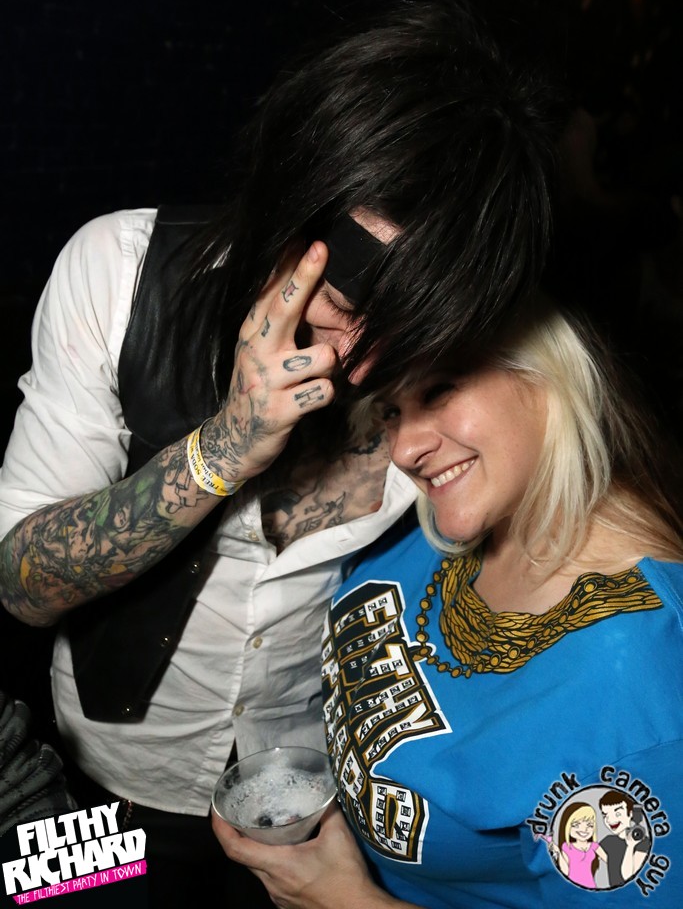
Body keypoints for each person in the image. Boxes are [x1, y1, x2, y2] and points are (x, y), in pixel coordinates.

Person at [0, 0, 565, 906]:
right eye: (344, 304)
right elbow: (20, 586)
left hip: (317, 805)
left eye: (414, 328)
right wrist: (222, 449)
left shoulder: (462, 379)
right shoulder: (116, 270)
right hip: (103, 789)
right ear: (287, 205)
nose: (362, 363)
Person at [214, 299, 683, 908]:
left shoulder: (636, 681)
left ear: (548, 375)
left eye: (440, 390)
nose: (405, 449)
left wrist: (348, 901)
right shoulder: (449, 514)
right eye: (390, 410)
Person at [599, 790, 651, 888]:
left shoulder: (643, 842)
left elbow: (628, 877)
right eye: (605, 815)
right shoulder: (608, 841)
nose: (610, 820)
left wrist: (630, 846)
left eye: (618, 814)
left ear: (630, 813)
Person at [549, 801, 606, 889]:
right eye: (576, 825)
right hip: (570, 888)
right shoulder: (566, 847)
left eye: (590, 825)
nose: (584, 829)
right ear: (567, 826)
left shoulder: (594, 846)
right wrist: (558, 853)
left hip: (590, 886)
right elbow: (565, 871)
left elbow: (610, 861)